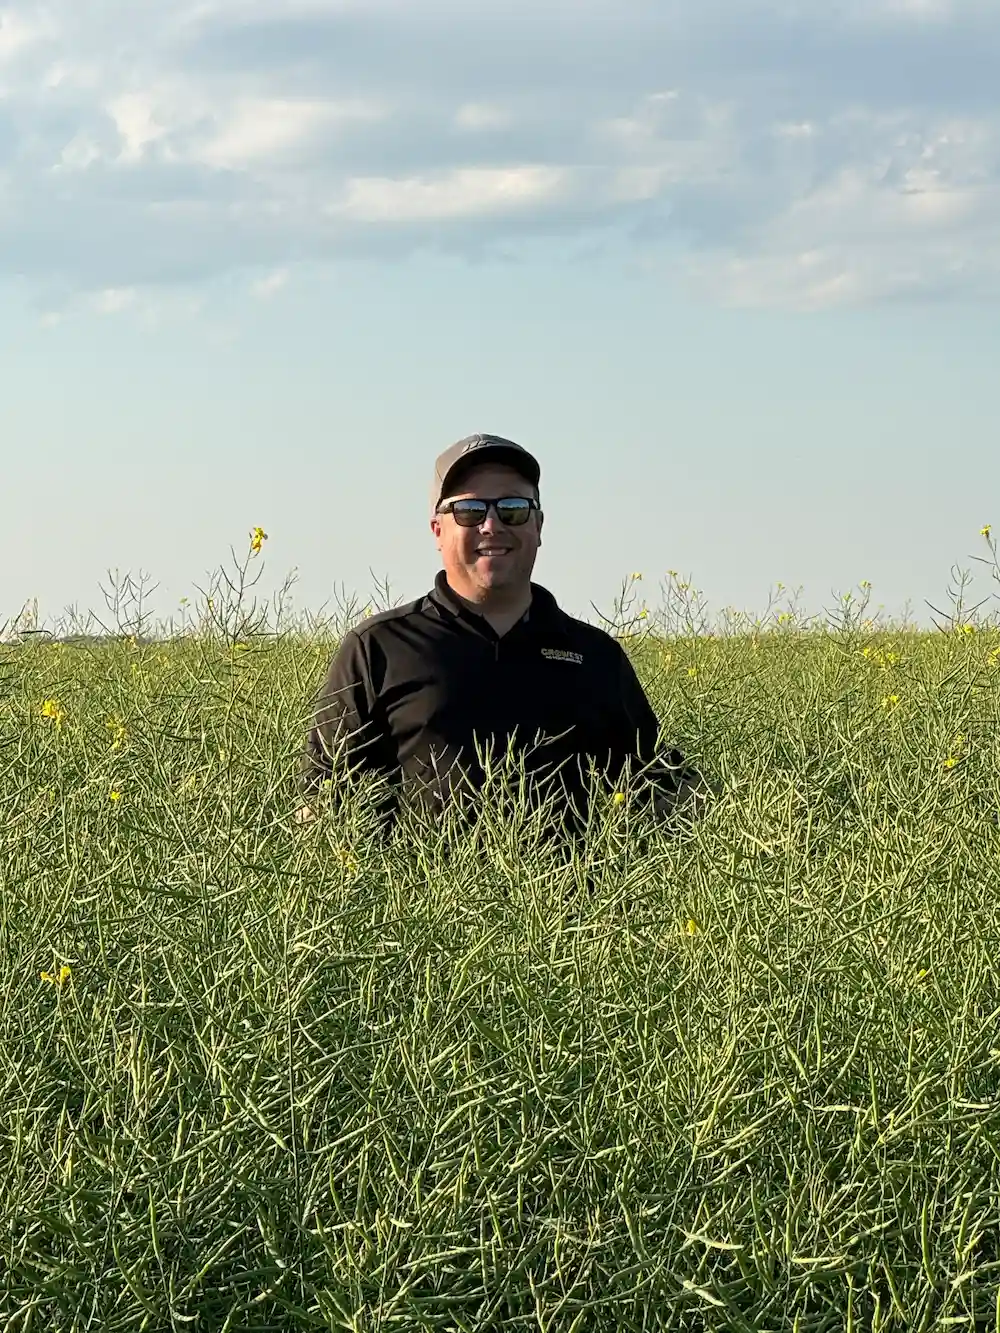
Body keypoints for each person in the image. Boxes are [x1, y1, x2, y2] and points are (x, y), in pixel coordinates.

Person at [296, 433, 710, 839]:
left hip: (573, 907)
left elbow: (656, 788)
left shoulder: (595, 656)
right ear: (437, 530)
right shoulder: (378, 648)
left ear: (539, 526)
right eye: (470, 511)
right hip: (424, 906)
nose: (491, 526)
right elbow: (322, 804)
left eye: (513, 509)